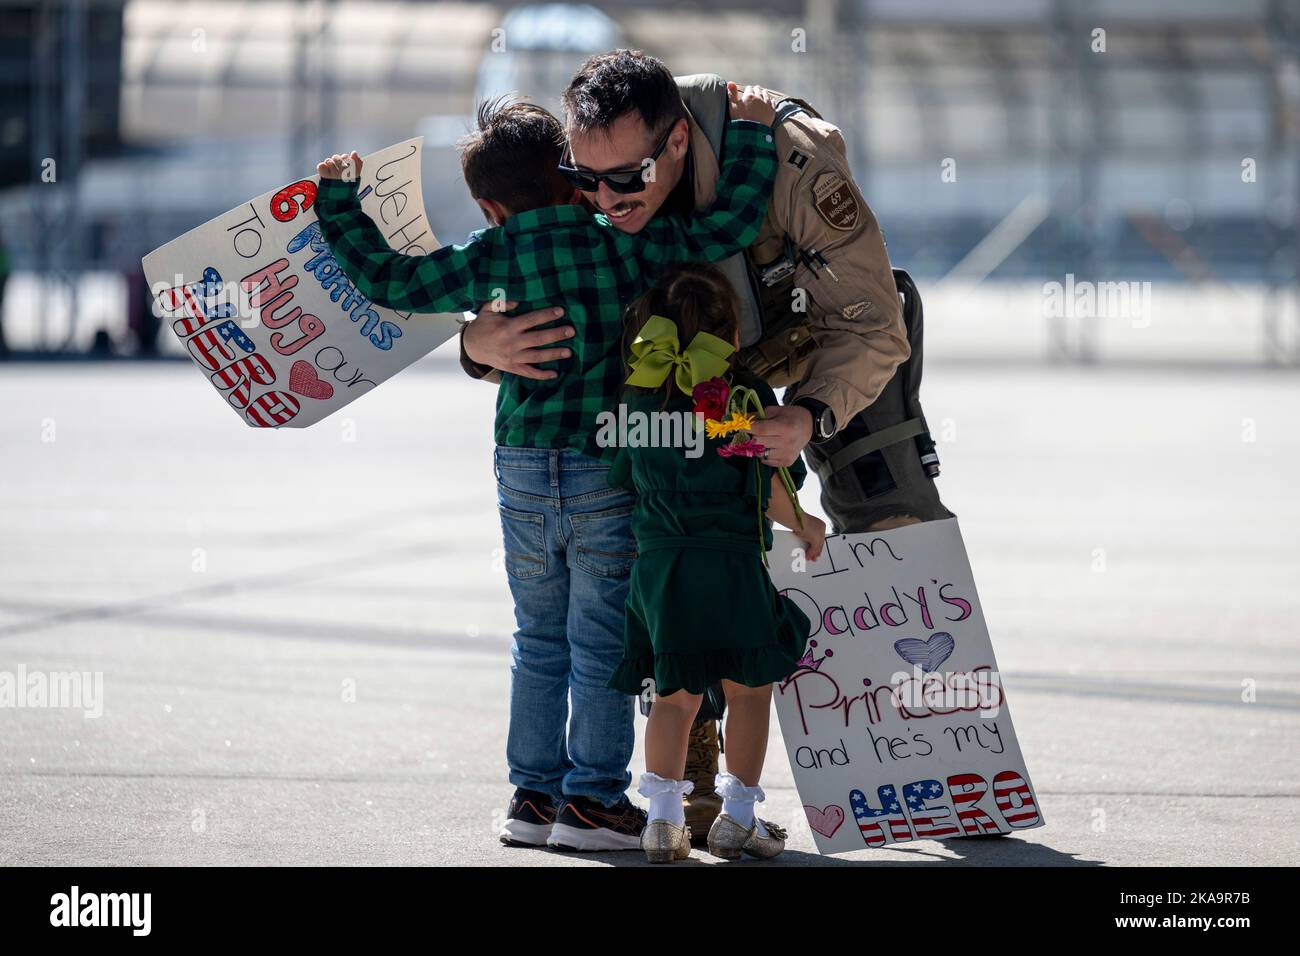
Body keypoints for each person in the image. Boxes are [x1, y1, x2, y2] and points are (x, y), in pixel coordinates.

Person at [457, 49, 952, 836]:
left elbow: (871, 321)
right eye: (587, 182)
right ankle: (688, 791)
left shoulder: (791, 156)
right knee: (665, 546)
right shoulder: (594, 167)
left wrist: (811, 415)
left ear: (679, 141)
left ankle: (929, 765)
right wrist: (479, 342)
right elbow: (539, 280)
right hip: (683, 363)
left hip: (823, 340)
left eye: (626, 180)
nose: (605, 201)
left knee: (881, 495)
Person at [313, 91, 779, 851]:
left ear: (490, 206)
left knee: (537, 635)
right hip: (605, 462)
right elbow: (731, 222)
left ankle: (532, 799)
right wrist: (754, 133)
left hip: (522, 468)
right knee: (601, 639)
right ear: (573, 177)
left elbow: (389, 281)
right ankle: (592, 802)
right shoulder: (626, 242)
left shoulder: (492, 255)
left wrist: (339, 201)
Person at [604, 263, 825, 862]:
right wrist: (805, 526)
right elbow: (769, 480)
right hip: (729, 563)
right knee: (749, 691)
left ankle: (663, 823)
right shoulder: (742, 394)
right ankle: (739, 819)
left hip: (660, 569)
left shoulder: (639, 393)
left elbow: (624, 475)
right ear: (731, 335)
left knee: (673, 696)